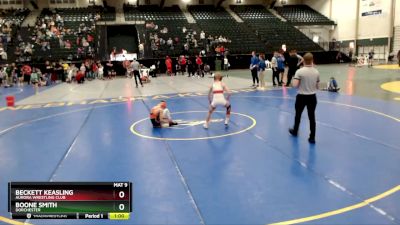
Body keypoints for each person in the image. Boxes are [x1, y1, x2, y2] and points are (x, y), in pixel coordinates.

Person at [289, 53, 320, 144]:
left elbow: (295, 85)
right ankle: (312, 137)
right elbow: (317, 86)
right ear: (312, 60)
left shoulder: (299, 72)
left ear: (303, 61)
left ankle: (295, 131)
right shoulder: (316, 72)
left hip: (301, 97)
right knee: (312, 117)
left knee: (298, 115)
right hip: (312, 97)